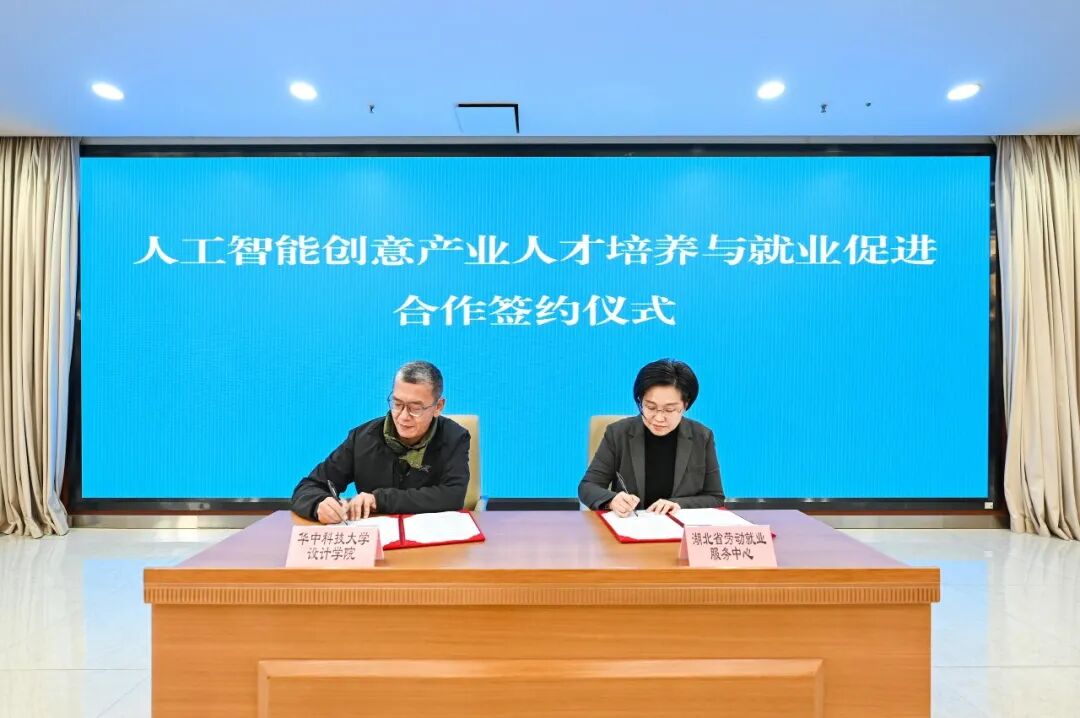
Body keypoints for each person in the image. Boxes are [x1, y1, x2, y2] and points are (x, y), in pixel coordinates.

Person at [291, 361, 470, 523]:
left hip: (432, 538)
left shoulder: (455, 437)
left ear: (438, 406)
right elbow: (308, 487)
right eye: (397, 404)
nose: (403, 416)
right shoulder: (362, 438)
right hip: (376, 538)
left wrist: (379, 500)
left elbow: (453, 496)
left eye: (415, 408)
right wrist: (318, 505)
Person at [578, 359, 724, 516]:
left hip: (678, 527)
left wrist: (678, 504)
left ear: (685, 405)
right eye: (651, 407)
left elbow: (715, 497)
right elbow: (588, 486)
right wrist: (612, 500)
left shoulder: (702, 437)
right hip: (631, 524)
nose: (659, 418)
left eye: (669, 410)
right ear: (640, 401)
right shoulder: (618, 433)